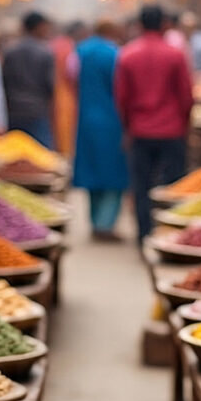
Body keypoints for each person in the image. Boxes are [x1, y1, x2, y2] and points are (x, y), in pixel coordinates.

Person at [115, 4, 194, 241]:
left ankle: (144, 235)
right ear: (164, 24)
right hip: (172, 131)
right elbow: (186, 97)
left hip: (140, 131)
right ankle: (170, 236)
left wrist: (127, 128)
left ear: (138, 25)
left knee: (142, 186)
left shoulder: (127, 55)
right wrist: (185, 126)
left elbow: (122, 99)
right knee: (173, 187)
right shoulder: (175, 55)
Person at [72, 20, 128, 240]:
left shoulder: (80, 52)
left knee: (92, 171)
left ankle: (95, 221)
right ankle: (106, 224)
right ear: (113, 30)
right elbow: (123, 89)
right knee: (113, 172)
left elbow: (71, 80)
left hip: (86, 117)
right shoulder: (115, 54)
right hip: (112, 119)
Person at [1, 11, 56, 147]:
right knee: (40, 157)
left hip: (14, 110)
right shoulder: (45, 53)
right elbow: (49, 85)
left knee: (14, 155)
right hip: (36, 110)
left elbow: (4, 80)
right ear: (38, 27)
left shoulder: (10, 51)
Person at [51, 21, 86, 156]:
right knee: (66, 134)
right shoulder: (71, 48)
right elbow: (72, 73)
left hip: (52, 95)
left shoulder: (52, 45)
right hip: (67, 96)